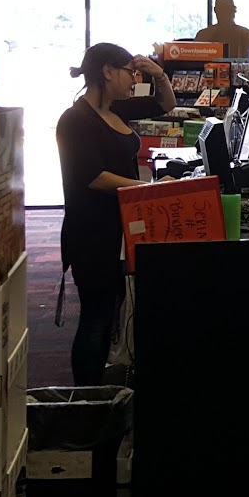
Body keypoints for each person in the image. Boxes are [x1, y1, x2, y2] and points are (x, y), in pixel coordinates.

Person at [56, 43, 174, 385]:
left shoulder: (115, 109)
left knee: (109, 314)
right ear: (107, 71)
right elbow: (94, 177)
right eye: (129, 73)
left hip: (119, 227)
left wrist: (159, 74)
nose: (133, 80)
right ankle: (86, 397)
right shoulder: (76, 120)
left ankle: (98, 389)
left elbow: (166, 104)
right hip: (92, 231)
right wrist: (149, 189)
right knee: (96, 318)